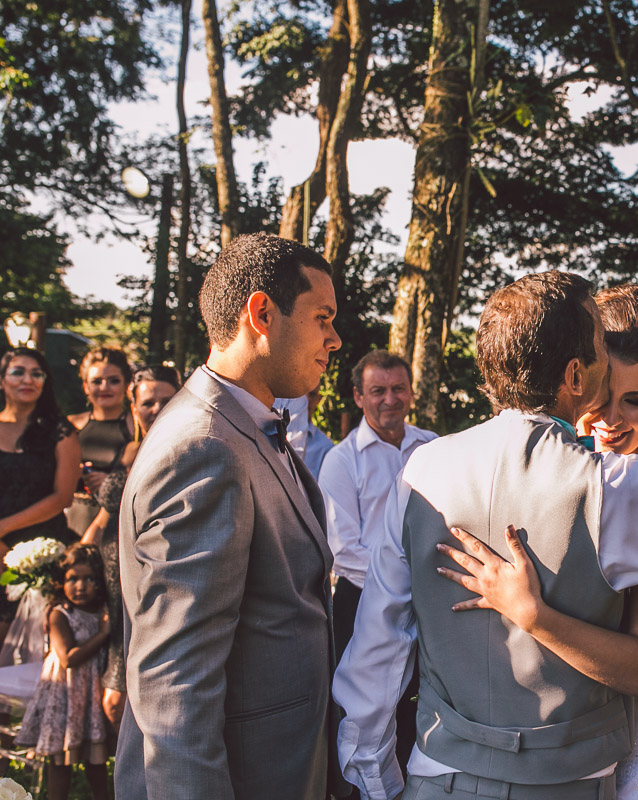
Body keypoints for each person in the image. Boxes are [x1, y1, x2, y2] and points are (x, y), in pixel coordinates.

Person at [333, 272, 638, 800]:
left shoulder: (421, 469)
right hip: (569, 782)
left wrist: (379, 782)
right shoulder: (622, 488)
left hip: (438, 772)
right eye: (600, 353)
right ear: (576, 373)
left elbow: (377, 647)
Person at [437, 284, 638, 799]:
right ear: (578, 379)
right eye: (602, 397)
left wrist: (534, 616)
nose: (612, 421)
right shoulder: (543, 477)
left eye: (635, 402)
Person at [116, 232, 343, 800]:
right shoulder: (204, 449)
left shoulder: (246, 426)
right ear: (262, 313)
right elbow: (174, 684)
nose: (335, 339)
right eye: (322, 318)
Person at [319, 350, 436, 781]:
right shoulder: (341, 460)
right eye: (378, 391)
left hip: (428, 600)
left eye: (398, 388)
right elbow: (343, 547)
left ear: (411, 392)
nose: (390, 399)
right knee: (365, 705)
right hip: (361, 601)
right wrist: (403, 582)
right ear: (358, 396)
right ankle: (358, 785)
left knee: (419, 699)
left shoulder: (433, 447)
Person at [80, 365, 181, 732]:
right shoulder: (129, 453)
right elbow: (99, 527)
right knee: (107, 712)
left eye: (166, 400)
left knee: (125, 710)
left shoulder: (187, 450)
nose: (155, 408)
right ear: (134, 407)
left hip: (148, 604)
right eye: (147, 402)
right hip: (111, 595)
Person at [15, 543, 112, 800]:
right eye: (72, 579)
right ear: (61, 580)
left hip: (90, 696)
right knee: (60, 762)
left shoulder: (101, 611)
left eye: (89, 578)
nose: (80, 586)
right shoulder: (60, 615)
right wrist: (103, 634)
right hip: (65, 696)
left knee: (96, 760)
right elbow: (68, 659)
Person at [0, 348, 80, 653]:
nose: (28, 379)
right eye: (18, 371)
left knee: (33, 649)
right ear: (2, 380)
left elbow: (62, 496)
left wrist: (4, 527)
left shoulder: (59, 432)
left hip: (42, 551)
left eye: (37, 373)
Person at [65, 348, 135, 538]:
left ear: (127, 385)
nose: (104, 387)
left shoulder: (136, 429)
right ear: (86, 386)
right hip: (72, 518)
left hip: (116, 522)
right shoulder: (70, 425)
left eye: (113, 381)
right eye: (97, 381)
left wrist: (112, 484)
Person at [301, 385, 336, 479]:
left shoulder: (325, 448)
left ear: (319, 399)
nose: (307, 400)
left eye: (312, 395)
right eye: (301, 393)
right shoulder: (268, 435)